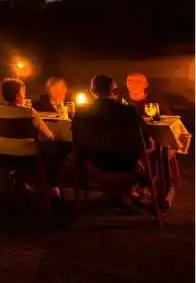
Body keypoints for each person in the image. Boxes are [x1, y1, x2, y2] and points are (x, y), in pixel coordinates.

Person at [72, 74, 147, 175]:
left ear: (92, 91)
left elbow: (76, 140)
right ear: (114, 91)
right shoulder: (129, 111)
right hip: (125, 165)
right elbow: (142, 140)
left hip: (94, 164)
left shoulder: (81, 113)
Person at [125, 72, 179, 207]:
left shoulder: (156, 105)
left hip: (153, 146)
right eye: (130, 81)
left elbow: (168, 126)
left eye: (138, 82)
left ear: (146, 85)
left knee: (163, 153)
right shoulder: (123, 104)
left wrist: (170, 145)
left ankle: (165, 193)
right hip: (129, 145)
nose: (133, 84)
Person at [0, 78, 54, 157]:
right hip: (26, 155)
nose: (25, 96)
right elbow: (49, 137)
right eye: (23, 93)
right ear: (17, 96)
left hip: (0, 152)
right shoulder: (29, 112)